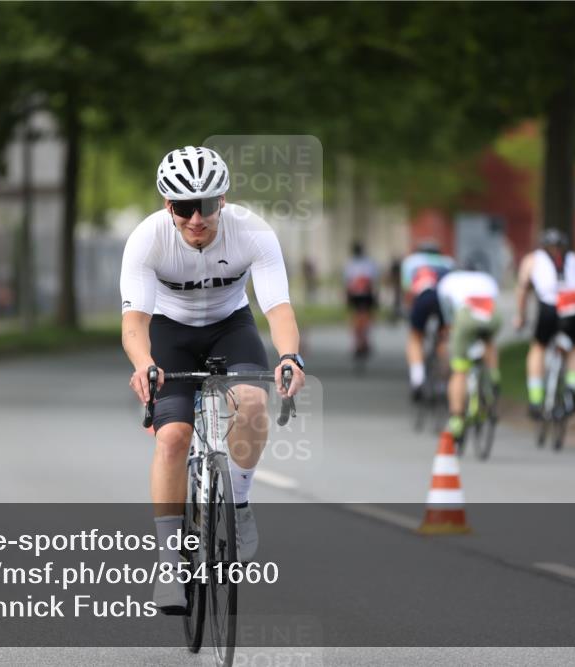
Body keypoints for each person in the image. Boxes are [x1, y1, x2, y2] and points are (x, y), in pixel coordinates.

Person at [120, 145, 306, 614]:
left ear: (223, 199)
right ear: (168, 206)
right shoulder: (147, 240)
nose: (196, 219)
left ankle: (238, 501)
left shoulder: (253, 233)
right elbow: (135, 322)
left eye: (205, 205)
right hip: (169, 331)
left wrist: (290, 356)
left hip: (231, 326)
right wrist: (144, 363)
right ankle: (169, 564)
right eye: (184, 208)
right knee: (172, 438)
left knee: (253, 403)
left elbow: (277, 306)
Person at [514, 229, 575, 419]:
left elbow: (522, 290)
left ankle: (536, 397)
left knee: (538, 347)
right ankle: (572, 387)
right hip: (574, 304)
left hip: (549, 305)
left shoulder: (532, 259)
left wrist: (521, 316)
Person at [436, 266, 502, 440]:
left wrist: (449, 328)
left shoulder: (448, 281)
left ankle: (457, 418)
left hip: (466, 314)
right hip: (490, 313)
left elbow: (447, 313)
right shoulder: (487, 278)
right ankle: (493, 378)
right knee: (488, 341)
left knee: (459, 370)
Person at [401, 240, 455, 401]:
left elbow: (408, 290)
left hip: (423, 297)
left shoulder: (411, 262)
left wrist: (409, 311)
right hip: (443, 299)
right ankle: (441, 383)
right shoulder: (448, 262)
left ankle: (417, 379)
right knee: (443, 339)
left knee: (415, 337)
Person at [344, 242, 380, 362]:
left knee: (356, 316)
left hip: (355, 294)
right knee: (366, 315)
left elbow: (347, 281)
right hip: (366, 294)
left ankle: (358, 340)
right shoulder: (369, 263)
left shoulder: (350, 264)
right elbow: (374, 279)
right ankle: (363, 339)